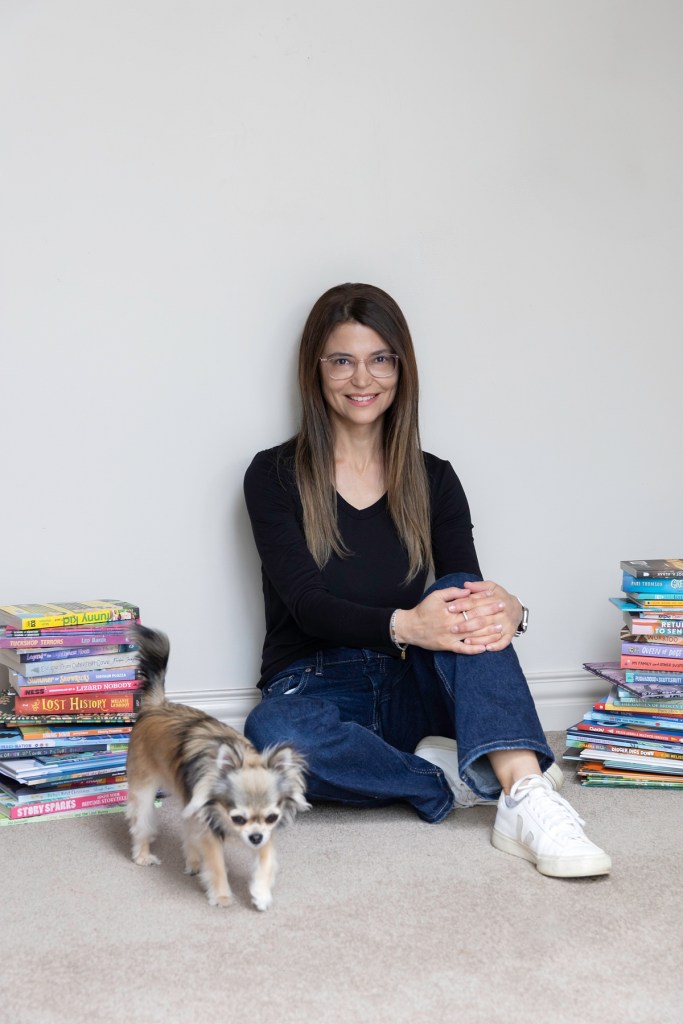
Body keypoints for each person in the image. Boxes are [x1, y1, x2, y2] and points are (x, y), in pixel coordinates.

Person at [243, 282, 611, 879]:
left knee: (469, 589)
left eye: (379, 359)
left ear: (400, 369)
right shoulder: (273, 474)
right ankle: (442, 778)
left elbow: (468, 592)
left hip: (414, 680)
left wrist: (511, 608)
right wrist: (404, 624)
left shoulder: (433, 478)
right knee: (273, 737)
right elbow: (308, 606)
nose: (362, 378)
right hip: (315, 685)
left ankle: (525, 797)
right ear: (316, 370)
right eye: (342, 360)